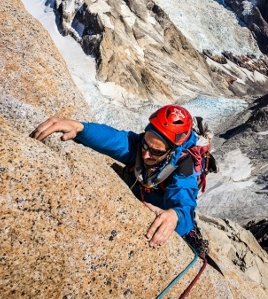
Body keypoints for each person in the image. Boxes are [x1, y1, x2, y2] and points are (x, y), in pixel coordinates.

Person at [30, 104, 200, 249]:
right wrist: (80, 128)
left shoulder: (183, 169)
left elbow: (185, 205)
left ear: (172, 151)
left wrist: (175, 216)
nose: (146, 154)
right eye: (145, 144)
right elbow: (114, 139)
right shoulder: (139, 146)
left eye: (156, 151)